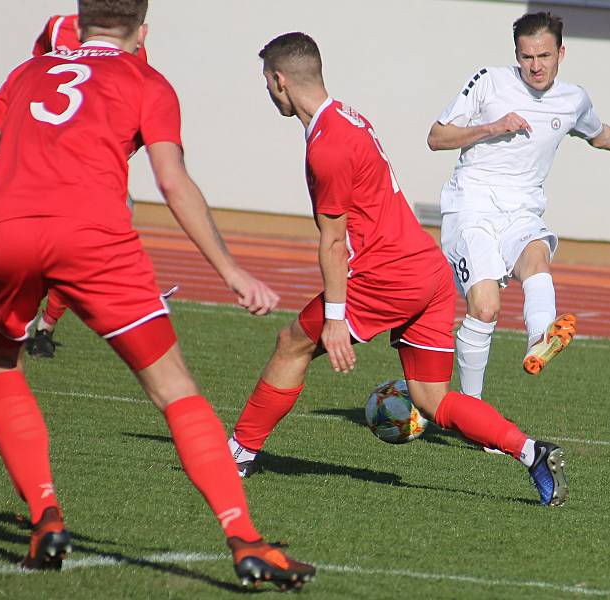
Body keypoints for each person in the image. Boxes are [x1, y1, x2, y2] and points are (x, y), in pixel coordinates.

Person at [0, 0, 315, 588]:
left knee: (1, 366)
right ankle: (244, 539)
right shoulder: (147, 79)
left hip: (4, 231)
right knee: (175, 388)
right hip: (93, 238)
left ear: (77, 22)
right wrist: (232, 270)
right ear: (143, 29)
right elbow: (172, 181)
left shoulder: (28, 73)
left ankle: (45, 516)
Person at [226, 32, 569, 508]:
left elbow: (332, 241)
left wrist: (335, 318)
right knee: (431, 400)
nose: (267, 92)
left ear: (279, 80)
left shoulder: (327, 145)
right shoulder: (348, 116)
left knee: (291, 344)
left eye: (266, 82)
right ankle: (532, 452)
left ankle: (237, 453)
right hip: (427, 271)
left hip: (387, 276)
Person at [428, 11, 610, 399]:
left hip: (522, 210)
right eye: (527, 57)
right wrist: (492, 127)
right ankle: (471, 408)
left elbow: (596, 135)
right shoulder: (489, 81)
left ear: (561, 54)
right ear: (517, 55)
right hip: (472, 205)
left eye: (544, 57)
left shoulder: (573, 99)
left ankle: (540, 339)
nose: (535, 66)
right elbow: (436, 137)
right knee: (484, 309)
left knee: (537, 257)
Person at [0, 13, 150, 358]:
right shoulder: (58, 26)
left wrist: (109, 159)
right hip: (39, 168)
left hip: (86, 173)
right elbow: (35, 70)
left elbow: (135, 114)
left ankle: (45, 329)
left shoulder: (130, 45)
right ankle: (15, 317)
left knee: (76, 250)